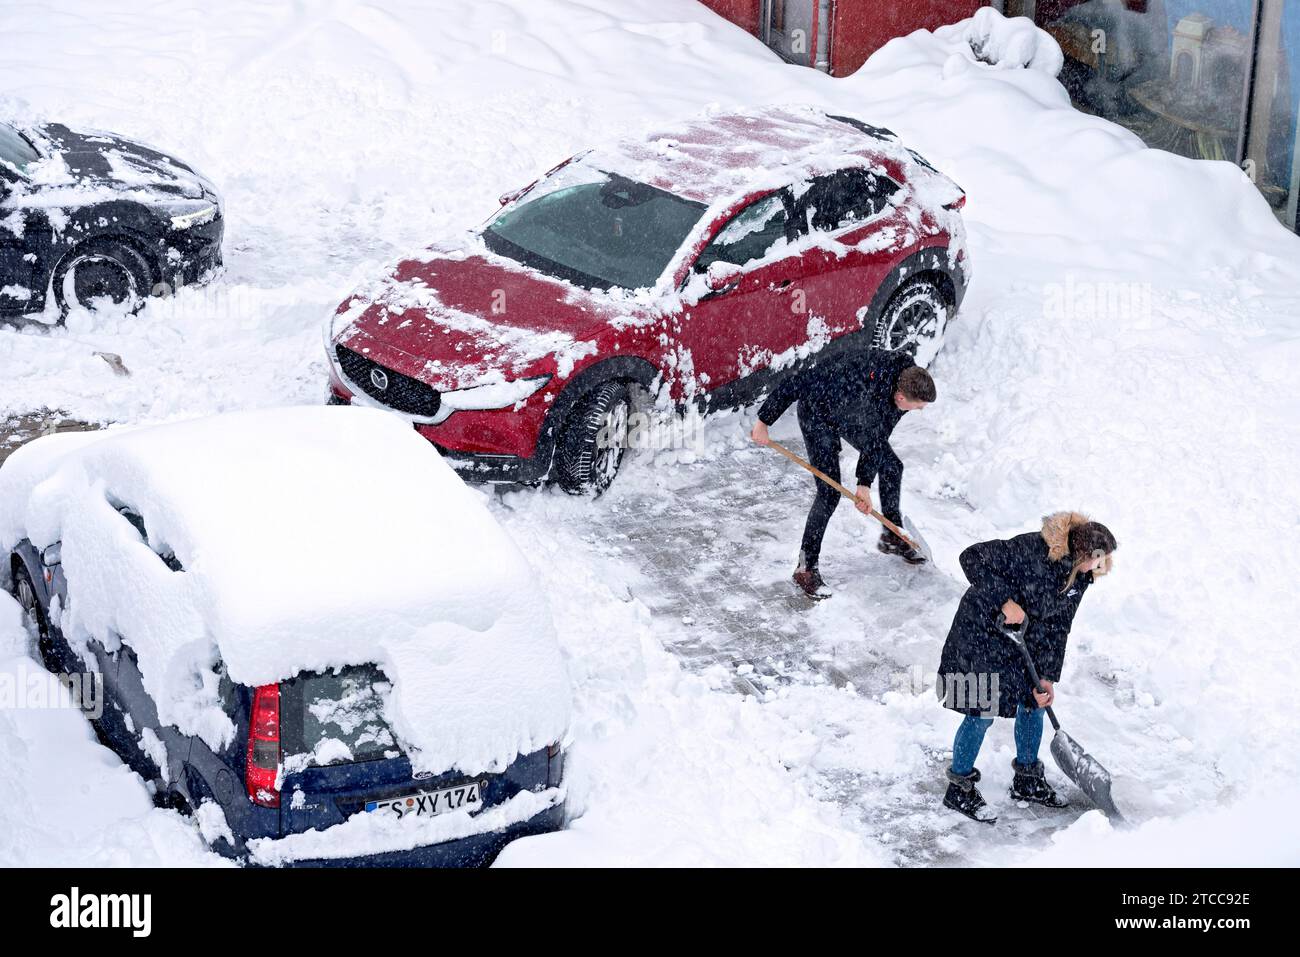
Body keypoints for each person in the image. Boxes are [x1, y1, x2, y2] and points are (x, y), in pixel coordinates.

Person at [935, 512, 1117, 823]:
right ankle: (959, 788)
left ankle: (1027, 780)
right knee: (981, 712)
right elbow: (971, 558)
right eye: (1096, 559)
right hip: (981, 632)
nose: (1098, 566)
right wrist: (1005, 600)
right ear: (1081, 552)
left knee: (1034, 702)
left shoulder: (1081, 577)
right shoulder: (1031, 549)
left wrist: (1047, 676)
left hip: (1021, 641)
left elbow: (1060, 626)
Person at [751, 347, 935, 599]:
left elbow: (878, 437)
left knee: (892, 466)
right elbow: (797, 381)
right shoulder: (855, 373)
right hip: (819, 412)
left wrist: (864, 484)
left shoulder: (903, 383)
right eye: (918, 407)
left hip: (851, 415)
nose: (920, 410)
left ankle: (893, 536)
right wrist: (764, 421)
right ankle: (805, 568)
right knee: (829, 493)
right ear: (902, 398)